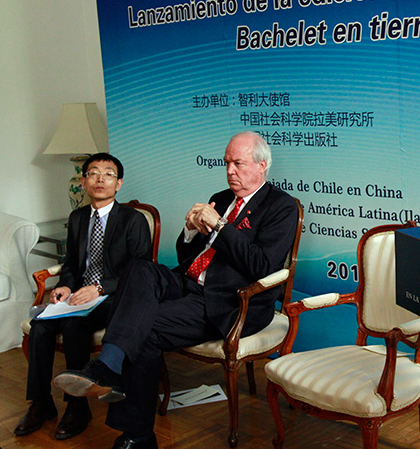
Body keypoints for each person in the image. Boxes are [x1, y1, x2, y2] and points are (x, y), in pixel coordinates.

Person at [55, 131, 298, 449]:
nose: (230, 171)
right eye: (227, 163)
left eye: (238, 164)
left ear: (262, 165)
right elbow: (189, 258)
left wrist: (221, 227)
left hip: (230, 301)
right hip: (190, 283)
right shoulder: (221, 198)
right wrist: (189, 230)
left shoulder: (281, 206)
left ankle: (136, 431)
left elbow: (262, 265)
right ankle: (110, 368)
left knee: (144, 328)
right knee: (139, 269)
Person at [15, 153, 152, 440]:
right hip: (77, 297)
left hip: (114, 299)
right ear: (84, 181)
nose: (100, 179)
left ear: (119, 184)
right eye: (93, 173)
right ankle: (41, 403)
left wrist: (99, 288)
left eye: (108, 174)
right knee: (40, 327)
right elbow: (72, 265)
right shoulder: (78, 218)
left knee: (73, 326)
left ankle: (78, 407)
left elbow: (140, 269)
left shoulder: (133, 220)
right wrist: (64, 286)